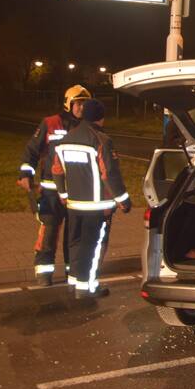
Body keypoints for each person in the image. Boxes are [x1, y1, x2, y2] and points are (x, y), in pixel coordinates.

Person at [51, 99, 131, 299]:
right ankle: (88, 287)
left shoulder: (65, 139)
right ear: (101, 118)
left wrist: (63, 194)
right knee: (93, 246)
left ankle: (74, 282)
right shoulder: (101, 140)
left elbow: (57, 171)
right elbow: (109, 174)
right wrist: (123, 200)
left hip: (74, 204)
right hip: (97, 206)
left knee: (75, 243)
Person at [17, 84, 91, 286]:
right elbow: (32, 151)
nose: (81, 108)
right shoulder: (50, 123)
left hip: (77, 192)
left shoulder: (89, 127)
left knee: (74, 235)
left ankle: (72, 273)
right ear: (69, 103)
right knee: (49, 231)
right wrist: (26, 173)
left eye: (85, 104)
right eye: (78, 103)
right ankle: (44, 272)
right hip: (51, 190)